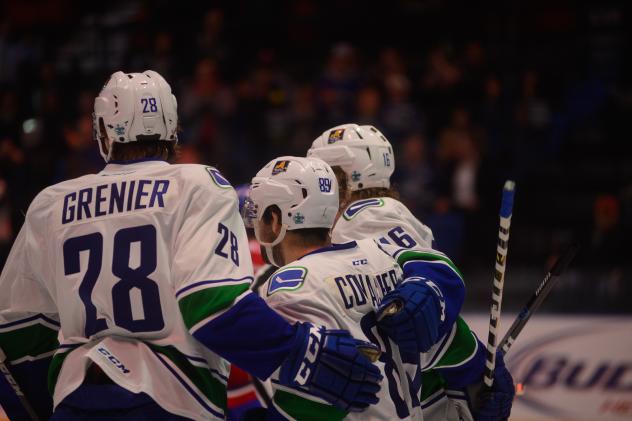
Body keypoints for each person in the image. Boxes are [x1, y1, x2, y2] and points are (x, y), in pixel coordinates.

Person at [0, 72, 382, 420]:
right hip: (172, 399)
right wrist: (300, 350)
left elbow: (18, 338)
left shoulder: (50, 205)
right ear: (172, 127)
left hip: (75, 399)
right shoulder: (197, 185)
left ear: (102, 130)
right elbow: (213, 310)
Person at [307, 123, 515, 420]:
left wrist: (473, 364)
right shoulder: (380, 212)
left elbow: (428, 289)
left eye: (324, 175)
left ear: (346, 177)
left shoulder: (367, 213)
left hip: (398, 395)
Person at [243, 155, 473, 419]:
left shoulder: (293, 284)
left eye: (258, 216)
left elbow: (315, 406)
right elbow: (457, 342)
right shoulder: (385, 259)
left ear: (275, 219)